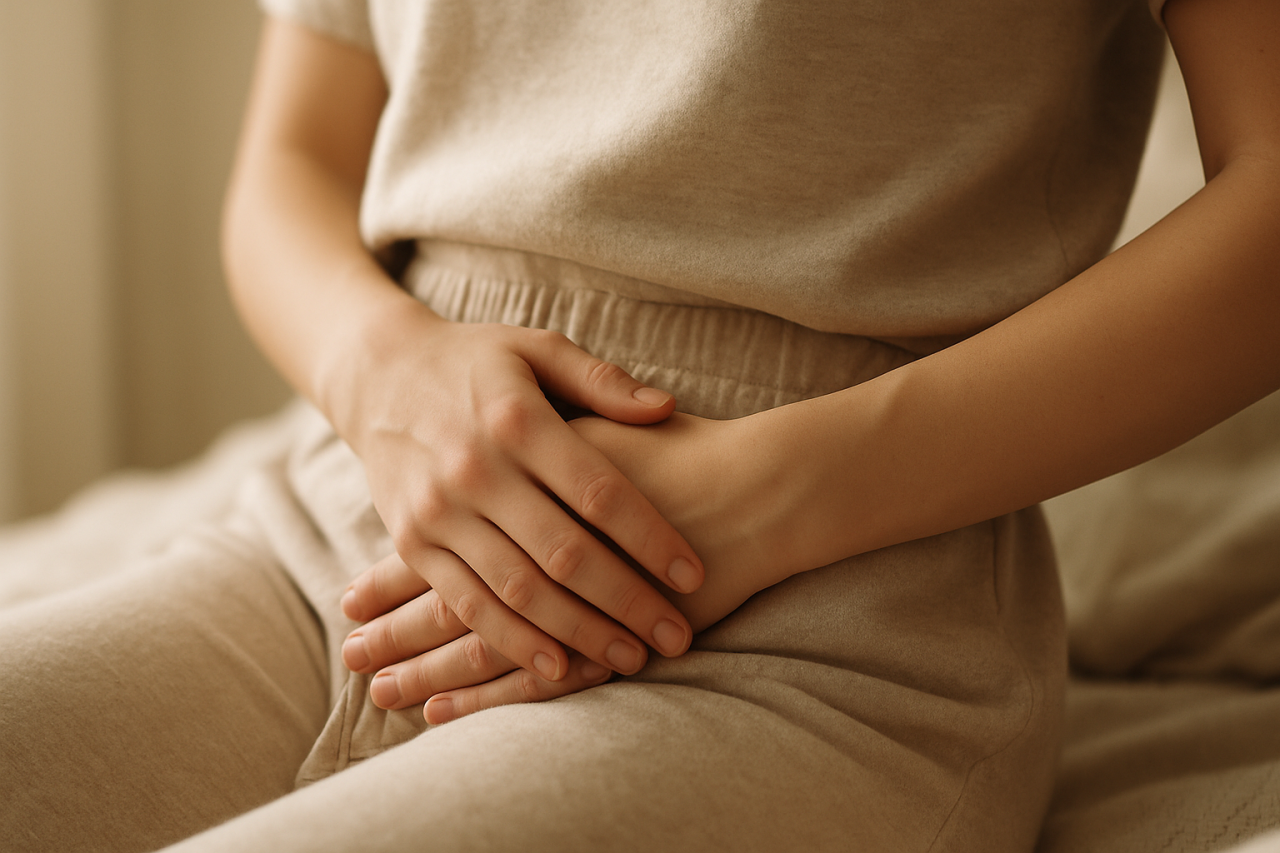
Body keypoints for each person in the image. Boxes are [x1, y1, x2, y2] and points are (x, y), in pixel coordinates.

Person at [1, 0, 1277, 850]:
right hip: (349, 525)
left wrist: (765, 493)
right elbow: (294, 159)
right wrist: (378, 368)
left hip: (824, 628)